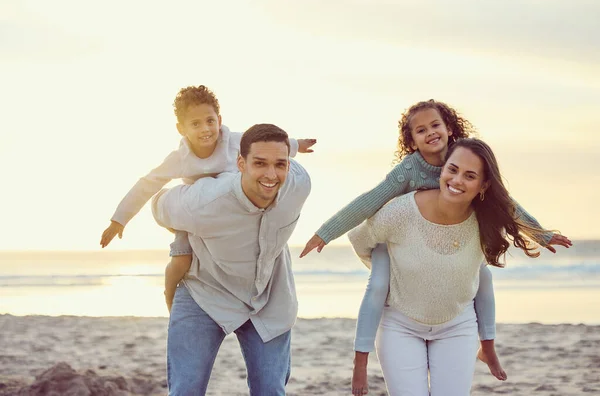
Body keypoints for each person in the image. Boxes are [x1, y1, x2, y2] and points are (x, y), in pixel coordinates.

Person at [299, 100, 571, 394]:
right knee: (378, 284)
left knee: (484, 276)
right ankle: (360, 361)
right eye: (421, 130)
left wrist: (541, 235)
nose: (430, 133)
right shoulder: (408, 171)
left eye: (435, 125)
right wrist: (325, 233)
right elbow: (370, 201)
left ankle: (487, 346)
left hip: (450, 260)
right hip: (398, 240)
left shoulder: (465, 157)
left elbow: (507, 205)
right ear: (411, 141)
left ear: (449, 128)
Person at [348, 138, 561, 395]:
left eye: (470, 176)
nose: (457, 180)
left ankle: (488, 349)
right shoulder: (401, 212)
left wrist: (542, 234)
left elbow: (510, 221)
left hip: (457, 326)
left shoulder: (486, 220)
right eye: (453, 169)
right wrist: (385, 269)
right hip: (400, 324)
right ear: (442, 170)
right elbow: (360, 239)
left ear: (483, 186)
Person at [99, 85, 316, 311]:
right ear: (181, 128)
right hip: (196, 214)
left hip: (233, 212)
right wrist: (119, 219)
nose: (206, 129)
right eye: (195, 124)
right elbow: (148, 183)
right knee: (181, 259)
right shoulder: (179, 159)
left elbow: (270, 145)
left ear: (219, 120)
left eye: (210, 121)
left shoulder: (234, 142)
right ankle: (171, 296)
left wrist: (297, 145)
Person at [152, 124, 311, 395]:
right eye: (260, 163)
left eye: (280, 164)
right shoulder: (204, 202)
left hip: (269, 298)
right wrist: (188, 231)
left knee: (271, 390)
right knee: (185, 390)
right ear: (241, 163)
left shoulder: (299, 185)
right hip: (206, 291)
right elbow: (158, 204)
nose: (271, 175)